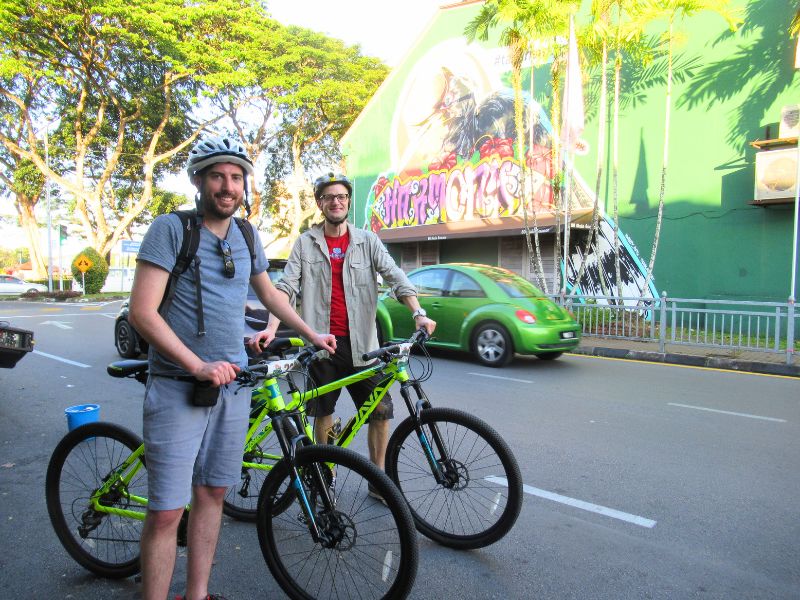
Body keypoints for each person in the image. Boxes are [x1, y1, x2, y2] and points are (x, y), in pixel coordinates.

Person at [128, 136, 336, 600]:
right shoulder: (170, 230)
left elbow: (269, 294)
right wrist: (197, 364)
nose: (228, 185)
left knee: (214, 494)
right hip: (180, 384)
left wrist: (309, 332)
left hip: (234, 386)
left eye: (236, 177)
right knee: (165, 511)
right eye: (218, 175)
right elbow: (143, 312)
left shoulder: (245, 234)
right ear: (198, 181)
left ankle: (197, 594)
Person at [250, 172, 435, 497]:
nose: (336, 202)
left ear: (347, 201)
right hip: (322, 346)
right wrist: (270, 327)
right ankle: (325, 478)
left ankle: (378, 481)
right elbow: (286, 288)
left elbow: (394, 275)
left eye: (341, 197)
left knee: (379, 411)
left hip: (364, 345)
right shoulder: (305, 244)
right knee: (323, 413)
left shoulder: (367, 241)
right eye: (329, 197)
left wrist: (418, 312)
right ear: (320, 203)